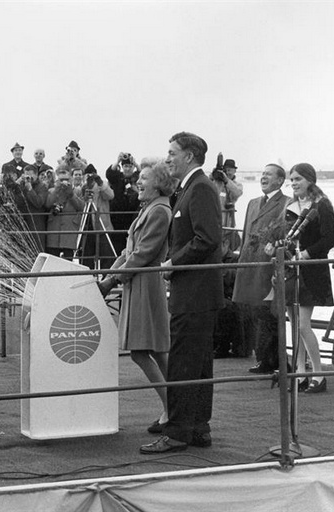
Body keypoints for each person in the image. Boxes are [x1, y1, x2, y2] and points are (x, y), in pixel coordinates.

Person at [140, 131, 223, 454]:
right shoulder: (192, 188)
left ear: (189, 156)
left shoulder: (199, 188)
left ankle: (176, 432)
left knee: (184, 363)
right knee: (198, 363)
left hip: (195, 291)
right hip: (198, 292)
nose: (168, 158)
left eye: (172, 152)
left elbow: (207, 238)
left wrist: (173, 262)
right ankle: (198, 427)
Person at [98, 161, 174, 431]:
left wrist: (111, 281)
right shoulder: (152, 208)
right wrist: (110, 275)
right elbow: (129, 252)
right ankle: (175, 405)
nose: (138, 182)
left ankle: (172, 408)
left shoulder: (159, 211)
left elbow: (142, 254)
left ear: (159, 183)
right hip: (138, 283)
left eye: (144, 178)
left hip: (145, 285)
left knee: (142, 352)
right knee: (155, 349)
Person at [266, 163, 334, 393]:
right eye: (292, 180)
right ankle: (300, 373)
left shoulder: (322, 205)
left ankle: (318, 374)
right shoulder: (291, 205)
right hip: (291, 269)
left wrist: (305, 254)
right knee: (294, 324)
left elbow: (327, 240)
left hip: (311, 271)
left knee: (304, 325)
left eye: (298, 179)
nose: (294, 183)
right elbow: (283, 235)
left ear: (310, 180)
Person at [232, 164, 289, 373]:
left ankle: (272, 360)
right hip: (249, 263)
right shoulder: (252, 203)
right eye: (262, 174)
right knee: (254, 311)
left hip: (268, 265)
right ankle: (265, 357)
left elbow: (285, 236)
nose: (263, 178)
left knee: (269, 314)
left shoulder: (286, 204)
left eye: (268, 175)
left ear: (280, 180)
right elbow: (247, 233)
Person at [77, 164, 115, 268]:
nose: (90, 177)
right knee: (86, 256)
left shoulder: (102, 185)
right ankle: (87, 275)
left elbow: (110, 195)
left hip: (102, 225)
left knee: (106, 255)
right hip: (87, 225)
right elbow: (81, 203)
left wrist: (100, 182)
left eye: (92, 174)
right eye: (88, 175)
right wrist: (86, 189)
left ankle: (105, 277)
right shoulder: (84, 187)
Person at [44, 168, 85, 260]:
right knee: (52, 260)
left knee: (67, 260)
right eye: (61, 180)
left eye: (66, 180)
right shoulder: (51, 191)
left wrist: (71, 195)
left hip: (69, 230)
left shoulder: (77, 191)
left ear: (70, 179)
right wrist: (56, 190)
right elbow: (48, 204)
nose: (64, 182)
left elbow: (81, 207)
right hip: (54, 229)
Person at [106, 152, 142, 255]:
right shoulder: (117, 178)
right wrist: (117, 160)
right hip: (117, 217)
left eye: (130, 166)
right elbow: (109, 174)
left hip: (132, 216)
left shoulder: (137, 179)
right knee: (117, 246)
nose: (128, 169)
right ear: (122, 167)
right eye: (125, 166)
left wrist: (135, 163)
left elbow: (144, 173)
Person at [212, 158, 244, 259]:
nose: (228, 172)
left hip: (228, 223)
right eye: (227, 170)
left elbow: (237, 193)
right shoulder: (216, 182)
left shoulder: (237, 185)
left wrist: (226, 180)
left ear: (235, 171)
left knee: (228, 249)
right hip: (214, 221)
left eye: (231, 170)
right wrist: (214, 177)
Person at [12, 164, 49, 252]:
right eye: (26, 176)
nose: (28, 178)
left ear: (36, 175)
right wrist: (18, 185)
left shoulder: (42, 187)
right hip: (23, 223)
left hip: (36, 224)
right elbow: (15, 201)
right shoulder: (21, 186)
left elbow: (38, 203)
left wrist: (30, 190)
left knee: (37, 250)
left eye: (30, 176)